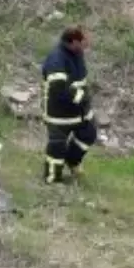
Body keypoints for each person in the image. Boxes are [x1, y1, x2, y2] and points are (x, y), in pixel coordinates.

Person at [40, 26, 96, 184]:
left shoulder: (77, 53)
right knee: (57, 147)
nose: (88, 42)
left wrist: (85, 99)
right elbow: (59, 91)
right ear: (74, 41)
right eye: (85, 40)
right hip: (59, 115)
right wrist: (81, 97)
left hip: (81, 111)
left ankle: (72, 161)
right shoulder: (56, 59)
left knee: (89, 134)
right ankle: (52, 178)